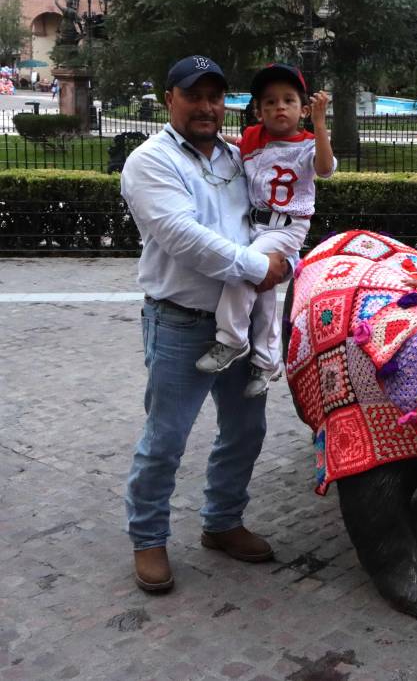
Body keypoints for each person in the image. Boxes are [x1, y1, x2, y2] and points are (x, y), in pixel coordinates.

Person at [120, 56, 292, 594]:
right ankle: (148, 537)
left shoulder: (238, 157)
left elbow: (279, 202)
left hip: (239, 323)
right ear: (169, 98)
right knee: (166, 439)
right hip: (180, 322)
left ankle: (221, 522)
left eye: (216, 97)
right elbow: (182, 236)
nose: (206, 107)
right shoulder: (151, 162)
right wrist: (258, 267)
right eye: (194, 96)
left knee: (245, 431)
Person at [194, 64, 336, 396]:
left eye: (288, 100)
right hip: (255, 225)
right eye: (270, 102)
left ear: (302, 108)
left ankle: (230, 340)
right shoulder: (254, 138)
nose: (279, 108)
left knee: (245, 266)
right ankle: (267, 360)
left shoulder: (306, 143)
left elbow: (326, 169)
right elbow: (233, 148)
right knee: (263, 291)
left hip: (287, 228)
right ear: (259, 110)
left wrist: (319, 125)